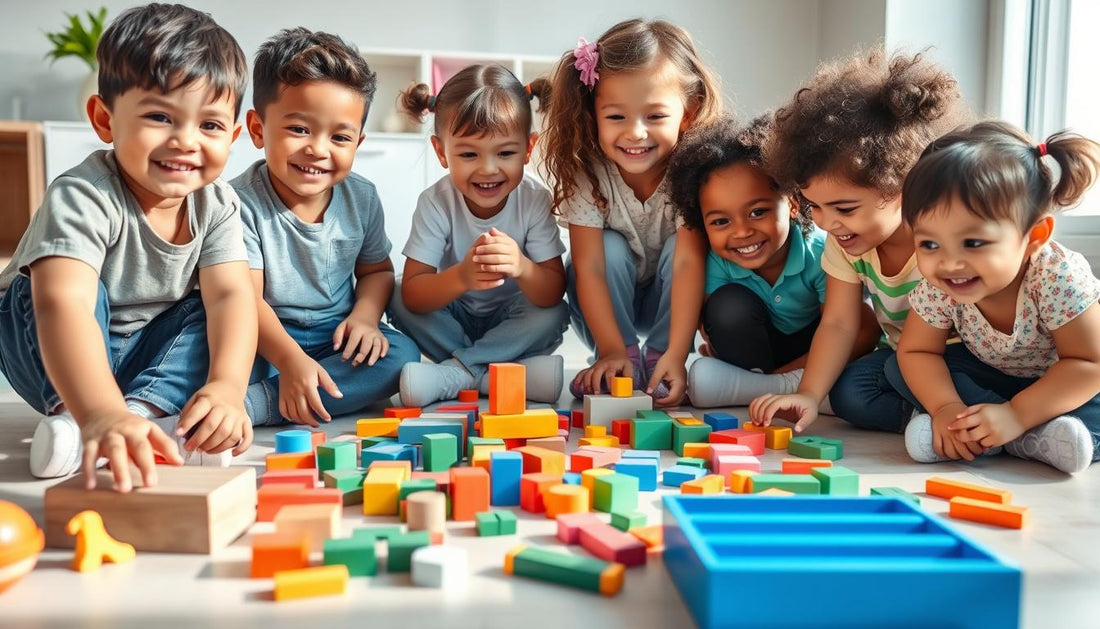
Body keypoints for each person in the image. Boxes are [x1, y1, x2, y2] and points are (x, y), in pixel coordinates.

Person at [0, 4, 256, 491]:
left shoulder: (218, 202)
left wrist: (227, 388)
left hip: (140, 357)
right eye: (160, 116)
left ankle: (142, 414)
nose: (185, 141)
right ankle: (80, 415)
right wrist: (100, 411)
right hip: (48, 343)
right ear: (104, 119)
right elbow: (64, 303)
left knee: (220, 307)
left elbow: (230, 298)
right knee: (62, 285)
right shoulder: (84, 194)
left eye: (210, 125)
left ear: (235, 135)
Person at [748, 48, 965, 433]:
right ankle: (934, 419)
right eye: (813, 205)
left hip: (965, 360)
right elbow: (838, 324)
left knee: (932, 377)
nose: (827, 223)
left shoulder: (945, 242)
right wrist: (809, 394)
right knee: (851, 391)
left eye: (845, 208)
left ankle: (977, 420)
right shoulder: (844, 243)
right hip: (904, 361)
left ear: (904, 186)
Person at [232, 28, 419, 427]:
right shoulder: (238, 203)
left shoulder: (362, 198)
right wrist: (288, 359)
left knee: (402, 356)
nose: (318, 149)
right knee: (212, 347)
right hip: (263, 337)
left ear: (358, 142)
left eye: (339, 137)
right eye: (299, 129)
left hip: (335, 338)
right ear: (257, 128)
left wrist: (366, 318)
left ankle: (257, 405)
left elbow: (377, 271)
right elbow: (246, 302)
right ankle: (275, 390)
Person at [892, 121, 1100, 474]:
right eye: (929, 244)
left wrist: (1017, 414)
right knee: (883, 373)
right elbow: (917, 350)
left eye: (973, 243)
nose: (949, 262)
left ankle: (1012, 432)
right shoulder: (940, 283)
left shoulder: (1056, 277)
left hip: (1064, 382)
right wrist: (945, 407)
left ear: (1035, 235)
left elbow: (1089, 364)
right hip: (993, 375)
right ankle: (978, 429)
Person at [539, 18, 723, 402]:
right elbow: (588, 267)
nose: (635, 133)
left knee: (682, 249)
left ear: (686, 114)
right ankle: (619, 358)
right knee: (605, 247)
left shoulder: (692, 169)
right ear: (594, 116)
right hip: (606, 308)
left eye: (655, 116)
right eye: (616, 116)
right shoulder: (587, 171)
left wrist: (676, 352)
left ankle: (657, 359)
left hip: (669, 304)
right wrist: (611, 349)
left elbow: (689, 265)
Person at [666, 115, 880, 407]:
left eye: (757, 212)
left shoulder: (819, 251)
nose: (742, 232)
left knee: (856, 350)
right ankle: (763, 385)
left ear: (792, 203)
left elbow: (860, 331)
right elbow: (711, 328)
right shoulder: (715, 260)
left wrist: (784, 378)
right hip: (752, 353)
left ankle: (777, 387)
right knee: (727, 308)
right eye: (720, 221)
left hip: (815, 347)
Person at [388, 64, 568, 406]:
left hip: (513, 324)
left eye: (505, 153)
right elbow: (413, 295)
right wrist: (462, 277)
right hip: (452, 322)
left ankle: (459, 374)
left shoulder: (533, 199)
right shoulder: (435, 203)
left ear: (529, 149)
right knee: (394, 291)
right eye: (469, 154)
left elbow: (550, 291)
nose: (488, 169)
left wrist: (523, 267)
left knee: (555, 312)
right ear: (442, 152)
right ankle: (498, 376)